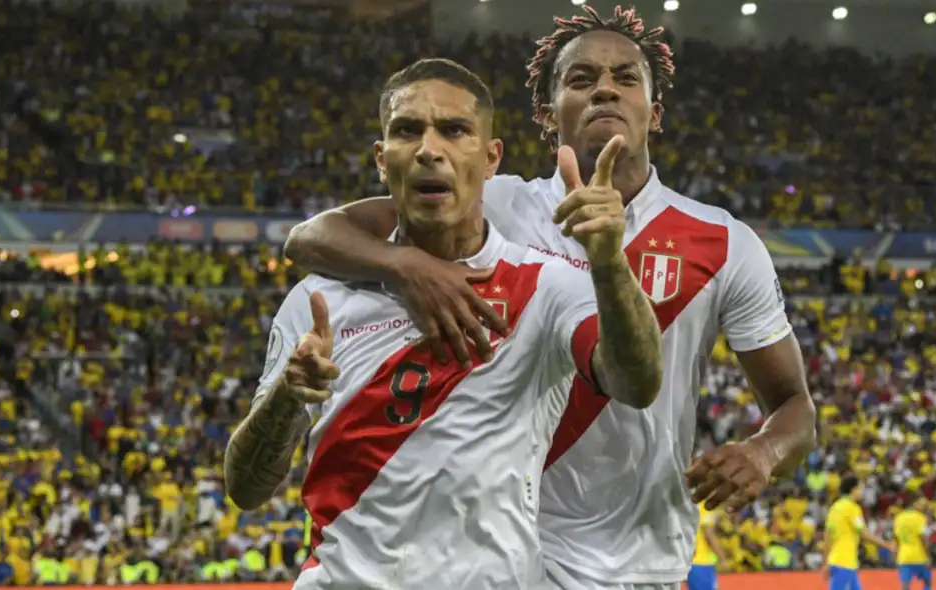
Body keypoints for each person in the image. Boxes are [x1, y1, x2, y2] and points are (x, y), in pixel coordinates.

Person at [283, 5, 817, 590]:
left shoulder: (724, 243)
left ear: (654, 112)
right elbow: (310, 237)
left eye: (626, 78)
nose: (605, 91)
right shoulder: (496, 205)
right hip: (505, 553)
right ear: (547, 112)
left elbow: (794, 406)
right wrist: (403, 263)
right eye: (581, 79)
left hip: (636, 558)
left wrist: (763, 453)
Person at [224, 58, 663, 589]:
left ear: (490, 157)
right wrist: (288, 397)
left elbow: (636, 384)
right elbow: (247, 489)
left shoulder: (546, 288)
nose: (430, 149)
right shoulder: (320, 299)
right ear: (383, 162)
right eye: (408, 131)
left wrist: (610, 261)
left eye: (454, 130)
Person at [822, 476, 897, 590]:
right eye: (861, 488)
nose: (862, 491)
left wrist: (825, 562)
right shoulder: (852, 508)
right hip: (845, 562)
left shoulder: (834, 508)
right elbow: (864, 534)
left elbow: (827, 537)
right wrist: (887, 545)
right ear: (854, 489)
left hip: (838, 561)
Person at [893, 496, 933, 590]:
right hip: (919, 556)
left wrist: (895, 556)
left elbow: (896, 539)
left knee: (905, 585)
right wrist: (928, 556)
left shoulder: (899, 518)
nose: (924, 507)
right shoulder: (920, 518)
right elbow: (924, 538)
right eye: (922, 504)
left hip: (903, 557)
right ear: (915, 504)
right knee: (927, 581)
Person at [687, 502, 726, 590]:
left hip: (691, 560)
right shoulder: (706, 505)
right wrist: (722, 558)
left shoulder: (692, 504)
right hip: (701, 562)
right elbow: (708, 534)